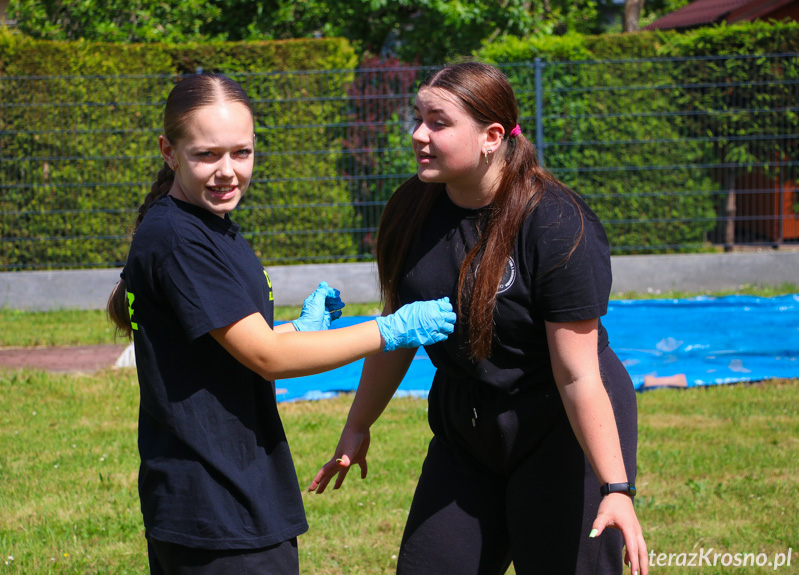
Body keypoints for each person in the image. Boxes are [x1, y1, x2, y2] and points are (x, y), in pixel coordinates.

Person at [106, 72, 456, 575]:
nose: (227, 171)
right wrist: (392, 329)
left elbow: (239, 343)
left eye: (241, 153)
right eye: (207, 155)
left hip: (228, 493)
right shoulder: (180, 239)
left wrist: (299, 328)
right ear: (168, 150)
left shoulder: (207, 225)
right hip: (215, 504)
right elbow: (266, 358)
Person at [310, 60, 649, 575]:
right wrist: (357, 425)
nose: (418, 134)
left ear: (492, 136)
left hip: (560, 430)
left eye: (438, 122)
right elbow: (397, 327)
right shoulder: (410, 207)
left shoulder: (557, 223)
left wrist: (616, 488)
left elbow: (578, 372)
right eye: (418, 117)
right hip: (465, 431)